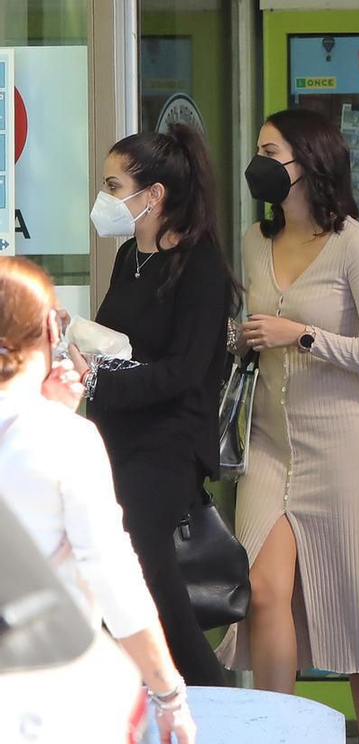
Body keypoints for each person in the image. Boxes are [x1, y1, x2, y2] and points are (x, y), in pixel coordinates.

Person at [215, 108, 359, 744]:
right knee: (263, 590)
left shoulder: (355, 243)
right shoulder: (253, 237)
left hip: (343, 444)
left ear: (308, 161)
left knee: (354, 592)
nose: (259, 160)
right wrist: (249, 336)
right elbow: (260, 330)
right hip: (268, 444)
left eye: (271, 150)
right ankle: (278, 738)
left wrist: (301, 335)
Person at [0, 256, 197, 744]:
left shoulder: (55, 432)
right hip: (40, 708)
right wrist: (168, 694)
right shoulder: (66, 441)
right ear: (49, 330)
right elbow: (113, 578)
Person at [76, 125, 234, 688]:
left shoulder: (200, 266)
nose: (105, 197)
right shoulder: (128, 257)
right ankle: (144, 696)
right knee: (119, 575)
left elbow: (185, 371)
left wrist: (101, 383)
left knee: (149, 572)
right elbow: (121, 343)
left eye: (113, 184)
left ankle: (208, 693)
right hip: (115, 437)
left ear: (154, 194)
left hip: (167, 445)